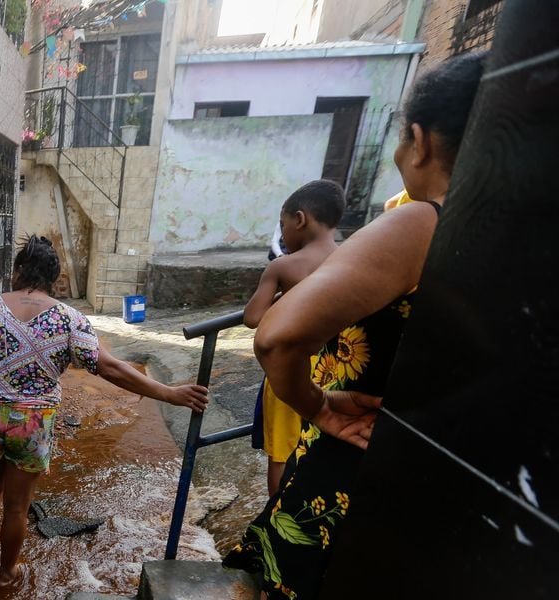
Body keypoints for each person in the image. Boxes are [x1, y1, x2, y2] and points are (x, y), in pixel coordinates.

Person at [222, 52, 486, 599]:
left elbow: (274, 334)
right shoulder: (521, 240)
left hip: (361, 455)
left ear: (420, 141)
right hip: (462, 485)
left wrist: (316, 404)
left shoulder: (423, 222)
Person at [0, 235, 210, 589]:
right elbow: (109, 367)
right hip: (33, 421)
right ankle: (7, 573)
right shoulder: (70, 319)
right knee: (18, 507)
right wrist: (168, 393)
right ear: (54, 277)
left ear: (18, 270)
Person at [245, 180, 345, 497]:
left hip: (291, 370)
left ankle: (278, 515)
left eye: (283, 224)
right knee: (321, 441)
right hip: (335, 368)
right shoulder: (351, 260)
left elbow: (253, 318)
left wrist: (286, 299)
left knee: (281, 453)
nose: (283, 234)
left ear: (300, 219)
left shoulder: (283, 266)